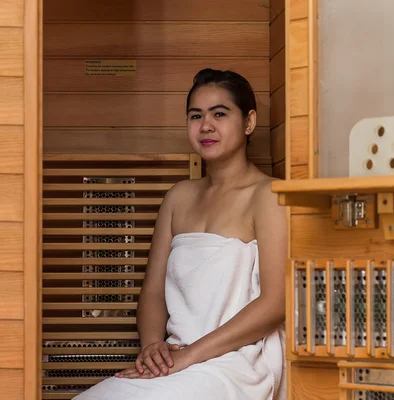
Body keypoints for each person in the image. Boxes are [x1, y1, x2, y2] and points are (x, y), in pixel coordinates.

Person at [72, 68, 288, 400]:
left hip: (235, 359)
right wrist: (153, 348)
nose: (206, 126)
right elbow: (153, 291)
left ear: (248, 122)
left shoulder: (269, 195)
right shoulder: (178, 197)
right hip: (176, 356)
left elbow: (276, 302)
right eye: (195, 115)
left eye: (220, 113)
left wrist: (188, 357)